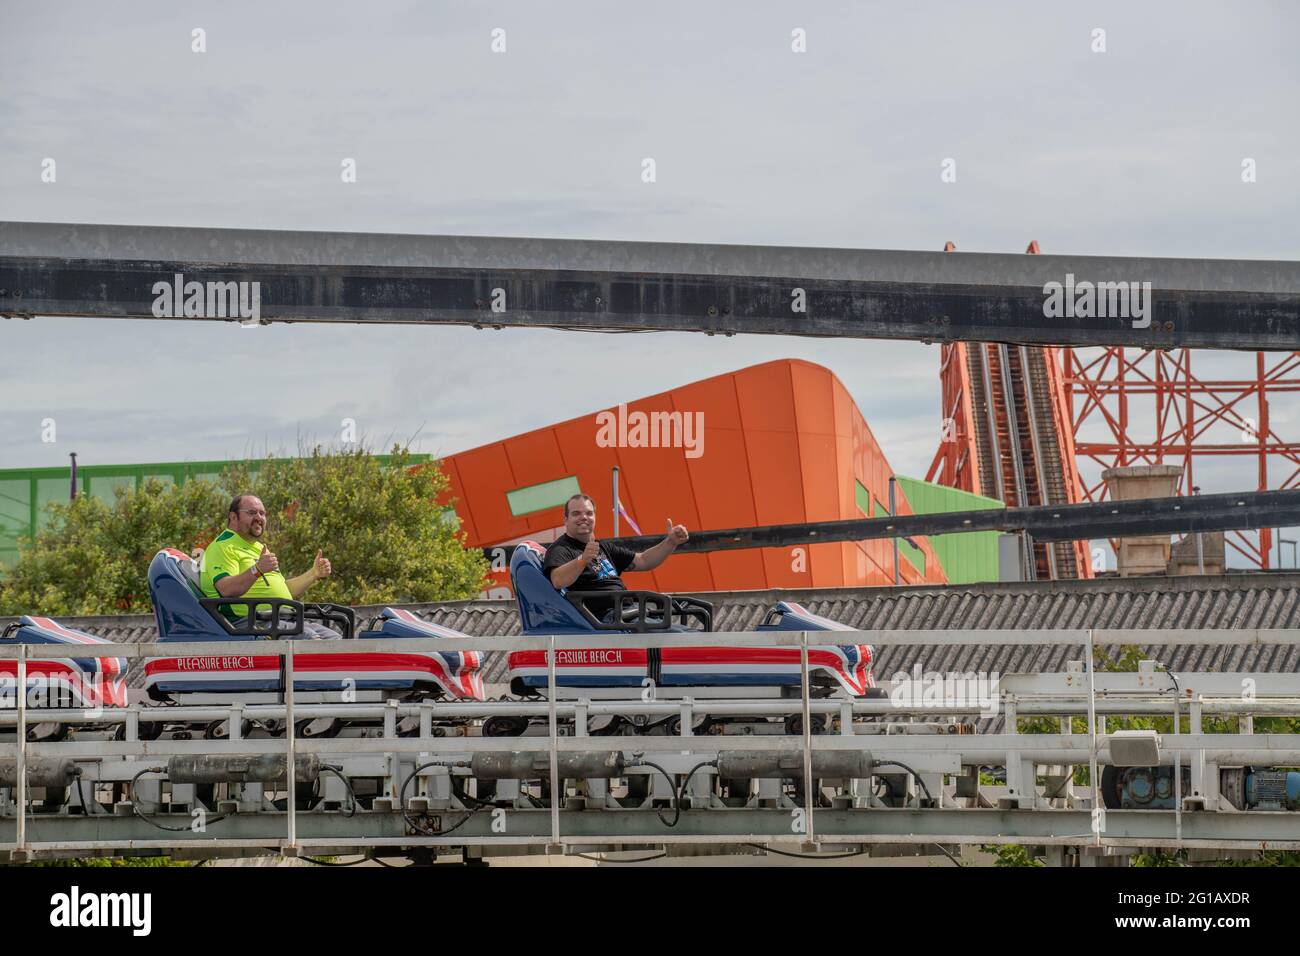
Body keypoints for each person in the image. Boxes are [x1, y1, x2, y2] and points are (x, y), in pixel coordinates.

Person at [198, 494, 340, 639]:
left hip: (283, 619)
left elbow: (285, 590)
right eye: (252, 512)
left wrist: (313, 574)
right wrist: (257, 569)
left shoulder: (259, 547)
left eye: (262, 513)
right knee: (310, 640)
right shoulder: (222, 546)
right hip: (250, 623)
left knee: (335, 639)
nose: (259, 518)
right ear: (233, 517)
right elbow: (226, 589)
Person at [543, 493, 689, 622]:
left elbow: (643, 561)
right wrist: (582, 560)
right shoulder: (560, 549)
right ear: (565, 520)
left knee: (685, 633)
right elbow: (557, 580)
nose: (584, 517)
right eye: (576, 513)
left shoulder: (603, 547)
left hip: (631, 613)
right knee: (678, 638)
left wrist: (671, 542)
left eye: (589, 513)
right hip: (609, 619)